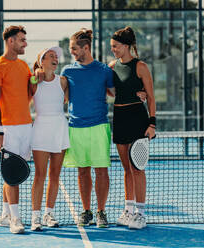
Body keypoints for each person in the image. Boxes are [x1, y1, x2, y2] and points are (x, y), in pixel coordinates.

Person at [60, 28, 114, 228]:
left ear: (86, 47)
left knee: (101, 171)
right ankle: (86, 211)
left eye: (74, 48)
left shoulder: (104, 70)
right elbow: (61, 95)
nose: (72, 52)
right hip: (76, 127)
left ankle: (101, 212)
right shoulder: (67, 71)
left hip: (99, 126)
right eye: (71, 49)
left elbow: (116, 92)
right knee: (82, 171)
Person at [0, 25, 32, 234]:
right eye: (22, 40)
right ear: (10, 41)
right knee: (12, 175)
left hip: (26, 127)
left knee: (14, 173)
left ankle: (5, 213)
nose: (25, 43)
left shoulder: (24, 66)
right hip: (9, 130)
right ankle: (15, 219)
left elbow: (27, 94)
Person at [109, 26, 156, 230]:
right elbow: (113, 92)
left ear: (127, 46)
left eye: (116, 46)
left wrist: (152, 123)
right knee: (126, 168)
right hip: (119, 118)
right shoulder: (111, 66)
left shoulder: (141, 67)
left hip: (138, 118)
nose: (113, 50)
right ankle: (128, 210)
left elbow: (152, 97)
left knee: (138, 167)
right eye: (112, 47)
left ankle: (140, 214)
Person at [29, 47, 69, 231]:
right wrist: (36, 75)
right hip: (41, 129)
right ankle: (35, 216)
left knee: (55, 175)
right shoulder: (34, 81)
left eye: (56, 56)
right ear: (41, 61)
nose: (55, 58)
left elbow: (68, 99)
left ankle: (48, 213)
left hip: (59, 128)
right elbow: (29, 84)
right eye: (50, 56)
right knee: (40, 175)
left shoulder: (63, 81)